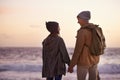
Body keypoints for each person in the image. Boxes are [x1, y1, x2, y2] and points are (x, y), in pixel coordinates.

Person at [68, 11, 102, 80]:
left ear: (83, 19)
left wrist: (71, 65)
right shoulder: (96, 29)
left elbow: (77, 50)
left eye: (78, 19)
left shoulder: (82, 32)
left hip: (83, 62)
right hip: (95, 60)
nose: (78, 22)